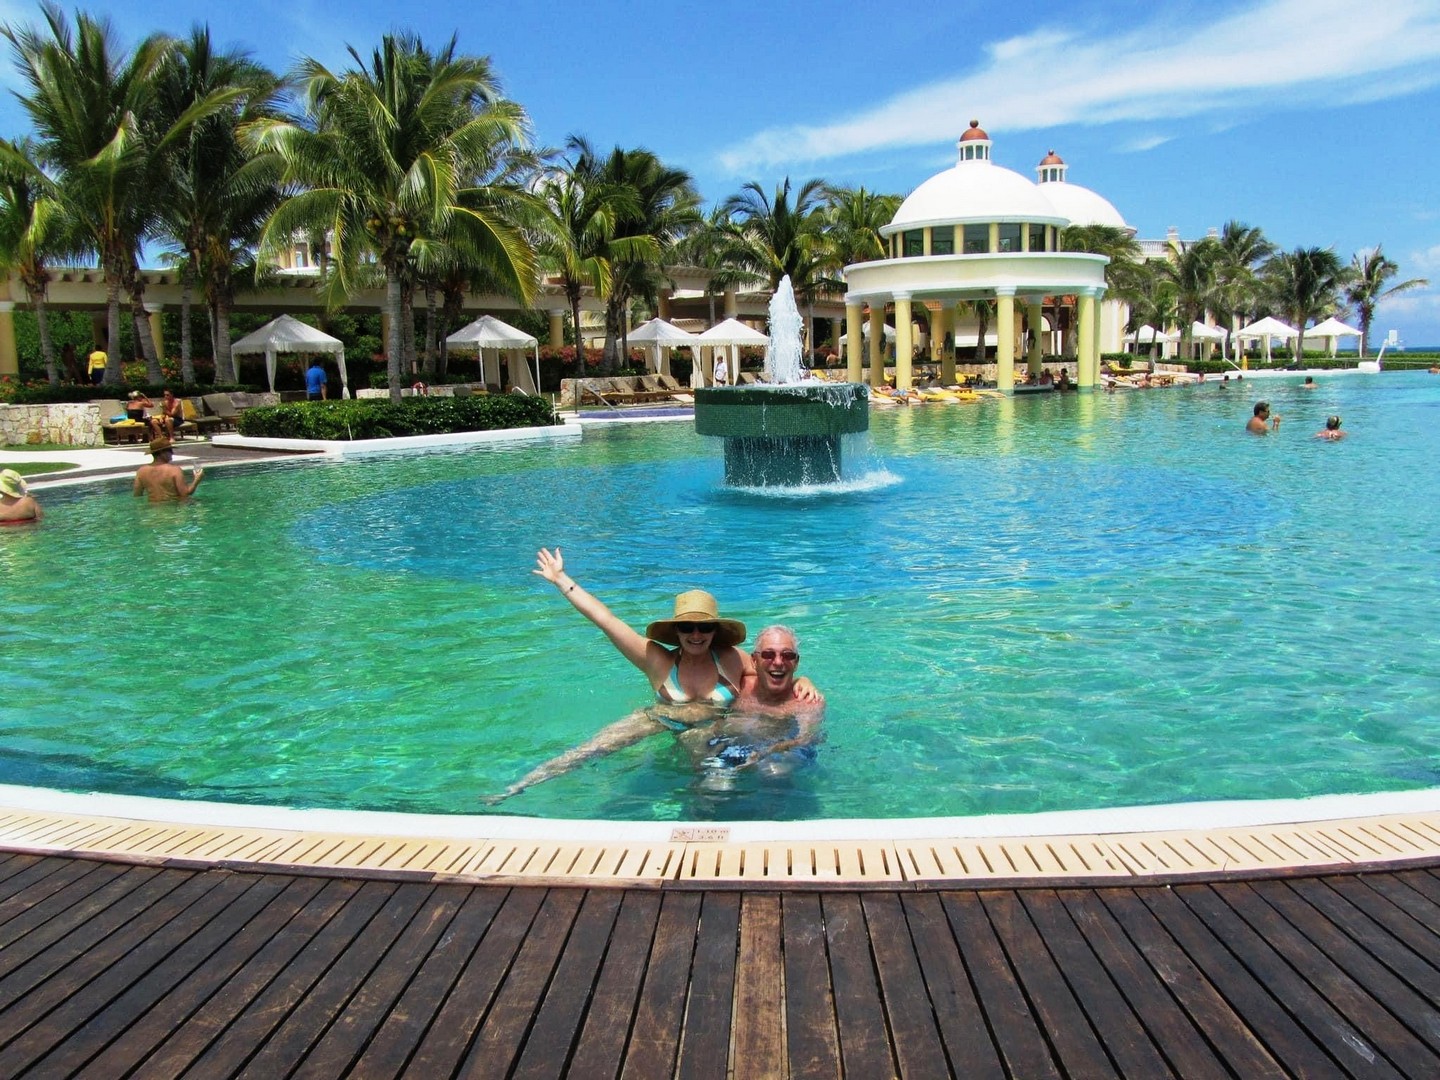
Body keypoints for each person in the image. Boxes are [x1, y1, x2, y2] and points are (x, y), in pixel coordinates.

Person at [491, 624, 823, 801]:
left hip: (761, 746)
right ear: (756, 659)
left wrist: (761, 754)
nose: (778, 662)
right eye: (769, 655)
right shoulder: (742, 682)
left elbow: (805, 736)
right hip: (688, 727)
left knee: (769, 774)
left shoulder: (801, 697)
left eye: (788, 656)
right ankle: (521, 785)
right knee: (593, 749)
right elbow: (609, 624)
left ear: (796, 661)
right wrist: (565, 583)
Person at [133, 437, 204, 503]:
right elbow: (184, 494)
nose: (172, 453)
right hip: (173, 508)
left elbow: (137, 496)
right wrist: (197, 479)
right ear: (161, 452)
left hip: (152, 509)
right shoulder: (174, 470)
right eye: (170, 450)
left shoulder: (141, 471)